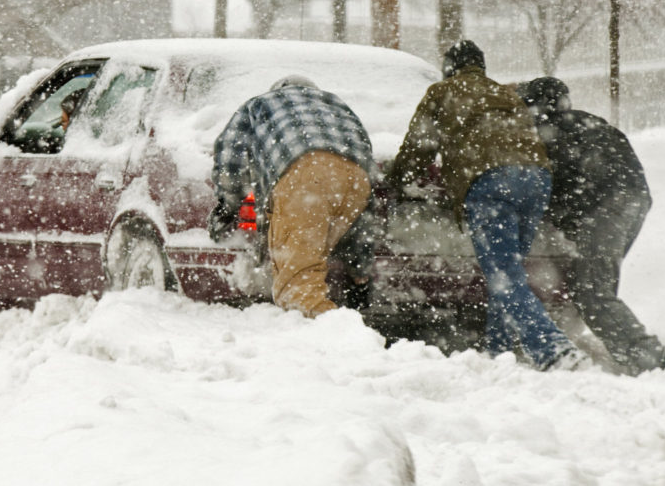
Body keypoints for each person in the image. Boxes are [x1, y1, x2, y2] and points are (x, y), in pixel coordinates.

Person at [386, 40, 586, 370]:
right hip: (536, 179)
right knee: (510, 274)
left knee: (504, 277)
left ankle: (553, 350)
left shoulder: (442, 92)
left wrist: (399, 181)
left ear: (449, 67)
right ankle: (499, 353)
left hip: (491, 182)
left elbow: (420, 146)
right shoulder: (507, 93)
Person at [517, 76, 665, 375]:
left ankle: (649, 360)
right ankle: (629, 347)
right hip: (635, 200)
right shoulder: (585, 122)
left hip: (608, 206)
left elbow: (558, 189)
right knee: (594, 280)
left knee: (590, 290)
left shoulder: (553, 135)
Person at [208, 75, 378, 317]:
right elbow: (365, 216)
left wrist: (228, 205)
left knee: (296, 286)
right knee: (311, 260)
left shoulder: (259, 104)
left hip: (305, 178)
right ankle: (335, 326)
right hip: (356, 180)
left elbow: (229, 157)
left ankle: (336, 340)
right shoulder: (337, 106)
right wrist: (359, 273)